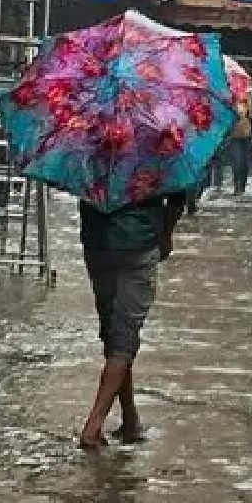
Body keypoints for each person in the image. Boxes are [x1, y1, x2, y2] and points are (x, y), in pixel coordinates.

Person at [77, 192, 187, 449]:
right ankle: (93, 427)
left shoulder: (92, 152)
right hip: (140, 243)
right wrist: (167, 233)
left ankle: (130, 419)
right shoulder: (156, 152)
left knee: (114, 333)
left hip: (98, 243)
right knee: (123, 340)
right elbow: (178, 195)